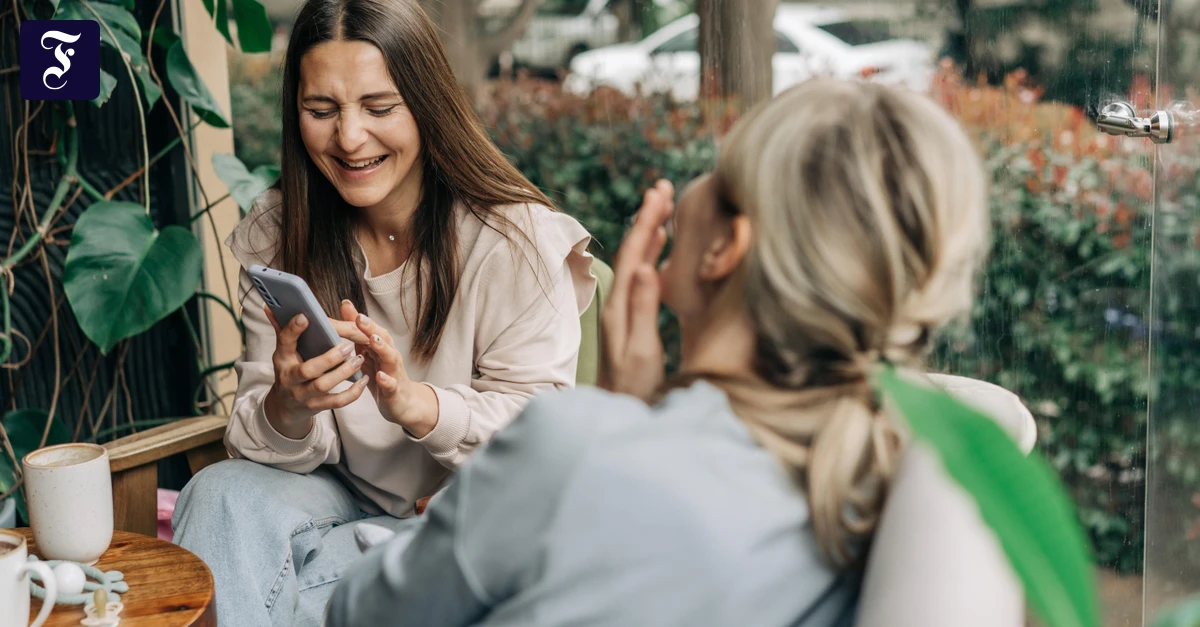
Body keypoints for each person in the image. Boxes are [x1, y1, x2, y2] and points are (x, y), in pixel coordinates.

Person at [322, 77, 995, 626]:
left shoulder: (570, 445)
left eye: (718, 168)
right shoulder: (873, 483)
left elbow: (361, 614)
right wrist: (629, 413)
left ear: (726, 247)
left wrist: (608, 420)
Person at [169, 0, 595, 625]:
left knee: (297, 589)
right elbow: (262, 446)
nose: (348, 138)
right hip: (334, 499)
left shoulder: (516, 243)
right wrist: (289, 405)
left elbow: (544, 441)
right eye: (321, 111)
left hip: (460, 517)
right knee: (217, 493)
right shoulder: (279, 229)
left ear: (427, 104)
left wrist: (420, 406)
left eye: (379, 107)